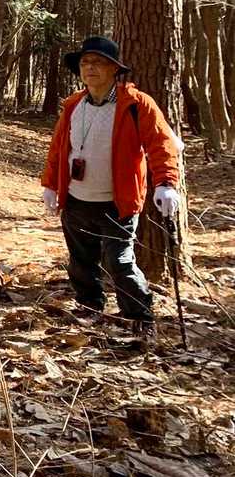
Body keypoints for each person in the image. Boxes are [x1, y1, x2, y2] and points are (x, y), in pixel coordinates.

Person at [40, 36, 182, 329]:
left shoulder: (137, 104)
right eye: (85, 62)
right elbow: (58, 148)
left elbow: (162, 144)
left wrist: (166, 183)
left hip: (117, 203)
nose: (90, 68)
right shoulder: (73, 104)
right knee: (80, 262)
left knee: (120, 262)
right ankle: (89, 308)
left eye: (99, 62)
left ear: (114, 69)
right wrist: (50, 185)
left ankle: (139, 317)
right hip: (76, 200)